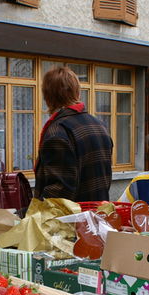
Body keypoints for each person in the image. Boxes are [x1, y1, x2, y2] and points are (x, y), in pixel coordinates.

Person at [35, 66, 113, 201]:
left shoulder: (58, 132)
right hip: (98, 214)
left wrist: (29, 214)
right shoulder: (99, 125)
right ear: (77, 92)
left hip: (71, 219)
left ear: (47, 96)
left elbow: (58, 194)